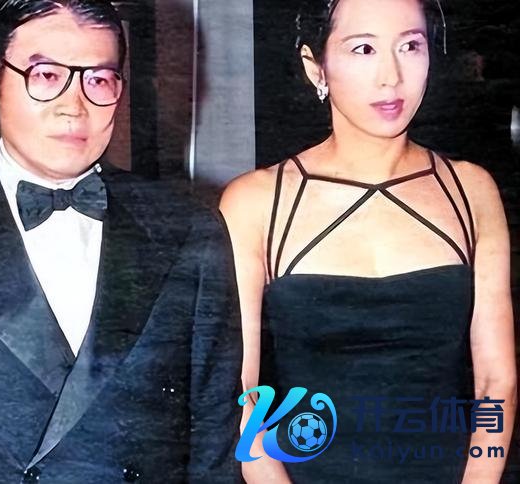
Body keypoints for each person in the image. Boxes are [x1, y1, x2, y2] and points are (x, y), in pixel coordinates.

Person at [0, 1, 242, 482]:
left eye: (99, 80)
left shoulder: (190, 231)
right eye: (47, 76)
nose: (75, 106)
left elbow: (215, 448)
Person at [220, 0, 516, 482]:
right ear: (315, 66)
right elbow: (239, 394)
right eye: (363, 49)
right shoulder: (254, 203)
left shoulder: (471, 190)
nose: (391, 77)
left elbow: (495, 383)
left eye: (410, 46)